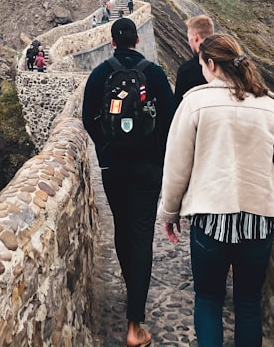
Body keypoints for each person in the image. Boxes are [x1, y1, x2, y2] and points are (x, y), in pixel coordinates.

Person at [158, 34, 274, 347]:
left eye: (203, 66)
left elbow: (177, 166)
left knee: (208, 299)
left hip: (210, 217)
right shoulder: (268, 105)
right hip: (259, 218)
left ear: (211, 65)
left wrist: (169, 212)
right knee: (248, 303)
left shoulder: (194, 103)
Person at [83, 18, 176, 347]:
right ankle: (135, 324)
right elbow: (171, 115)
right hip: (148, 169)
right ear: (136, 40)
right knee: (140, 234)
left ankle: (131, 285)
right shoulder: (154, 73)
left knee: (122, 228)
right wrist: (158, 152)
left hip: (114, 168)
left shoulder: (99, 75)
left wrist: (105, 149)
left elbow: (86, 118)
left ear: (112, 42)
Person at [174, 14, 214, 106]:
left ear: (195, 37)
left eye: (189, 38)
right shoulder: (225, 63)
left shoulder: (186, 70)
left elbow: (179, 106)